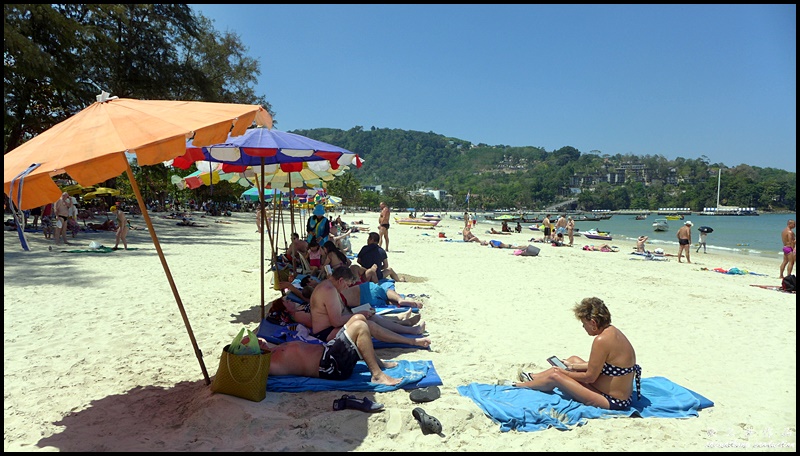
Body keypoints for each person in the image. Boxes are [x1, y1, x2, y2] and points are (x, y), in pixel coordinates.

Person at [513, 297, 641, 411]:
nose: (583, 327)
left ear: (593, 323)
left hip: (612, 401)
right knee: (572, 360)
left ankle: (519, 386)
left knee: (556, 376)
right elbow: (601, 366)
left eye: (584, 324)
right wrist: (572, 367)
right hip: (620, 395)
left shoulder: (601, 340)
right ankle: (533, 377)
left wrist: (565, 373)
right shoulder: (612, 332)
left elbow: (590, 377)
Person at [254, 314, 404, 386]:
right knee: (360, 327)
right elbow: (251, 370)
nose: (261, 342)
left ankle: (377, 362)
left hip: (329, 350)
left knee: (359, 318)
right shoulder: (270, 364)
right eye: (257, 345)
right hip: (330, 365)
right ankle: (377, 375)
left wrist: (261, 343)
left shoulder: (272, 350)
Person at [308, 266, 431, 348]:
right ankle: (410, 340)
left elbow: (338, 314)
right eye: (346, 285)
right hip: (325, 334)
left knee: (372, 318)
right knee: (368, 324)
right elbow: (335, 322)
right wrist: (359, 314)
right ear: (340, 280)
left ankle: (410, 330)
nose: (346, 288)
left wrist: (360, 313)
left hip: (329, 328)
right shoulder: (329, 291)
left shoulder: (329, 286)